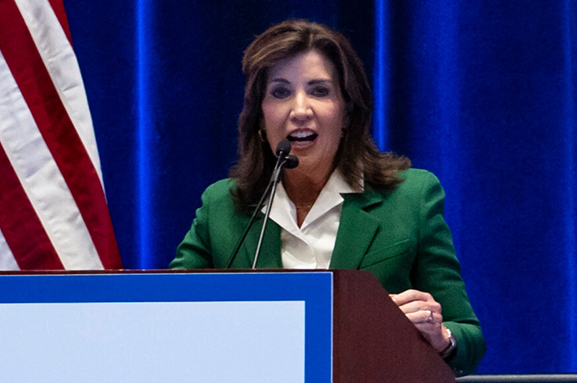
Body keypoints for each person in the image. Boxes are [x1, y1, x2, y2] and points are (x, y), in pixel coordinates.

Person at [169, 19, 485, 376]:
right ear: (259, 115)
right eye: (280, 92)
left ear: (347, 112)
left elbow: (469, 338)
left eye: (319, 91)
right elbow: (171, 316)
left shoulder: (410, 197)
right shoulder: (222, 206)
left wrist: (440, 335)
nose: (300, 110)